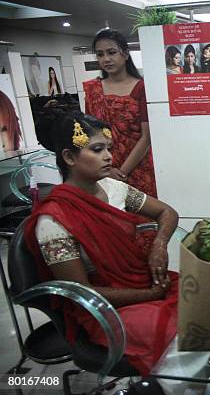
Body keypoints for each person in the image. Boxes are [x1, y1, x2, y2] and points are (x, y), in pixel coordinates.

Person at [24, 110, 179, 375]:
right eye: (97, 150)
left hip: (143, 283)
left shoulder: (114, 188)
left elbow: (167, 213)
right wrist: (149, 295)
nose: (109, 156)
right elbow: (84, 294)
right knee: (178, 334)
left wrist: (159, 245)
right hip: (105, 310)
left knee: (205, 304)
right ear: (69, 157)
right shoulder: (54, 222)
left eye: (108, 148)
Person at [84, 28, 157, 197]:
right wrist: (108, 170)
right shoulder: (93, 90)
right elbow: (90, 133)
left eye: (111, 52)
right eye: (100, 54)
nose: (106, 59)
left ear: (125, 54)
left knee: (144, 216)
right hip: (103, 168)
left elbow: (147, 137)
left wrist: (122, 172)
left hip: (139, 166)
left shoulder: (141, 88)